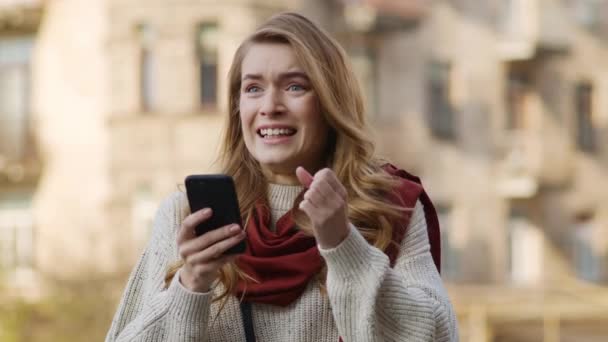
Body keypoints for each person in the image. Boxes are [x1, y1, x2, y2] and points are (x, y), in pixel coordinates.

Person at [106, 12, 458, 342]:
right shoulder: (189, 217)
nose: (269, 106)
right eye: (253, 88)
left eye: (294, 87)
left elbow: (438, 334)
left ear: (329, 102)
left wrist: (343, 244)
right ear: (237, 107)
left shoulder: (388, 207)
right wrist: (190, 284)